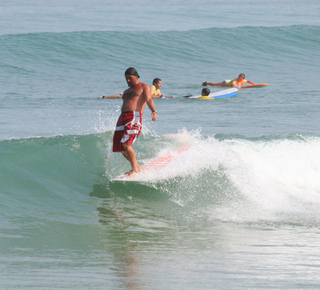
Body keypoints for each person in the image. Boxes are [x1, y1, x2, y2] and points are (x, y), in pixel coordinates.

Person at [113, 67, 157, 176]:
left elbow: (148, 99)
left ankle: (134, 170)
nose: (128, 80)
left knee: (126, 144)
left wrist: (153, 111)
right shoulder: (126, 91)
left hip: (133, 117)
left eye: (130, 78)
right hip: (122, 118)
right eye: (126, 78)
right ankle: (137, 167)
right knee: (121, 148)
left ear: (137, 76)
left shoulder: (143, 86)